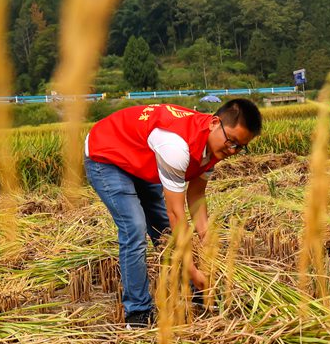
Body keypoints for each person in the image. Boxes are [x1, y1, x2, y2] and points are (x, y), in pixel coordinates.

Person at [84, 99, 262, 328]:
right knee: (134, 228)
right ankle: (137, 312)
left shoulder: (215, 146)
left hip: (142, 158)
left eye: (240, 147)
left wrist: (207, 240)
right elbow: (176, 214)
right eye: (232, 142)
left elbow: (196, 196)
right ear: (215, 123)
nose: (232, 151)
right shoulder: (176, 146)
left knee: (162, 229)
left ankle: (194, 286)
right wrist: (193, 268)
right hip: (108, 156)